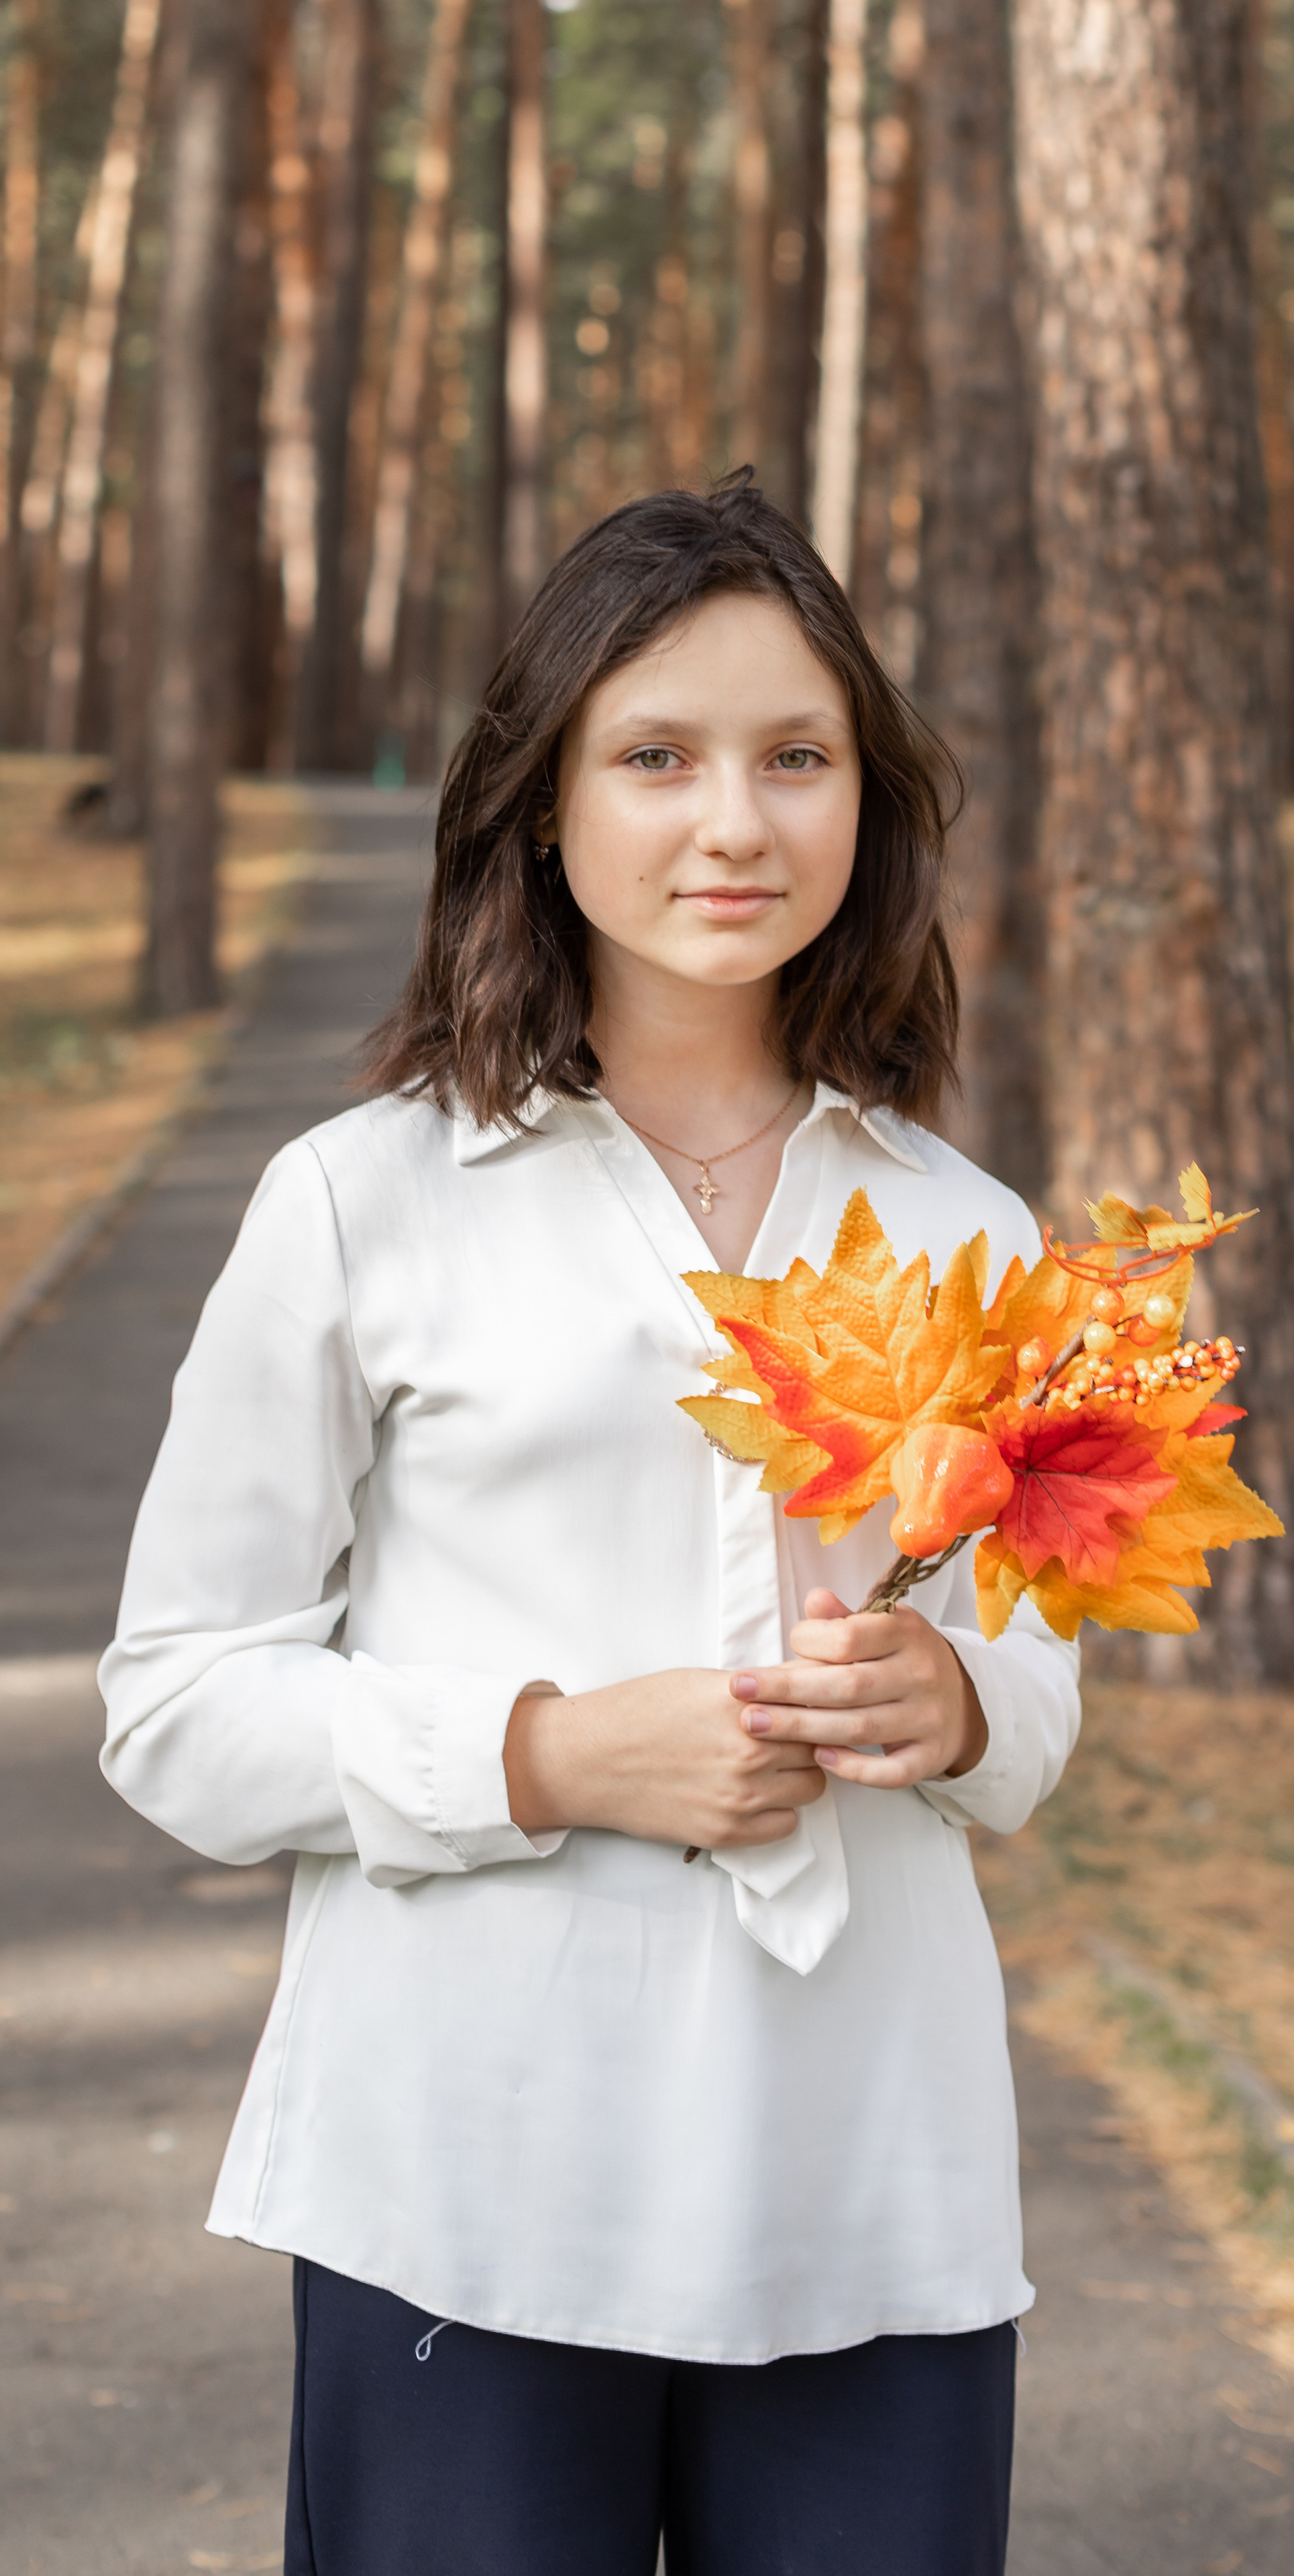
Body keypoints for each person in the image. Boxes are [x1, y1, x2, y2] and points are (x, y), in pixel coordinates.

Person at [99, 474, 1080, 2576]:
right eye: (657, 756)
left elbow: (1039, 1698)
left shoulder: (969, 1230)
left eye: (795, 758)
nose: (734, 822)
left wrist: (963, 1703)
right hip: (466, 2181)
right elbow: (176, 1706)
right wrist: (548, 1754)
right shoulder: (364, 1201)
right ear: (541, 804)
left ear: (867, 806)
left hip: (872, 2188)